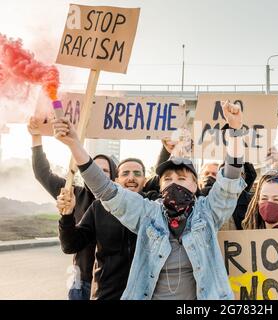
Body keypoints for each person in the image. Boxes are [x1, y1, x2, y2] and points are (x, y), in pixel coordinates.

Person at [53, 101, 247, 300]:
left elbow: (230, 179)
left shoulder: (208, 212)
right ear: (159, 187)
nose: (174, 185)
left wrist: (235, 131)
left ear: (196, 185)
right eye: (168, 180)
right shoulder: (147, 214)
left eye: (181, 179)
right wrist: (75, 144)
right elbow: (105, 189)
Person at [28, 117, 116, 300]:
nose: (97, 174)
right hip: (80, 281)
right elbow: (42, 173)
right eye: (93, 168)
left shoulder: (122, 202)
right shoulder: (72, 193)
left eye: (104, 171)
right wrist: (36, 138)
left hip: (111, 284)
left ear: (113, 177)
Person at [57, 158, 151, 299]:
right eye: (125, 173)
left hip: (146, 294)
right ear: (116, 180)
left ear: (145, 180)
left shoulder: (155, 206)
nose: (131, 177)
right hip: (106, 294)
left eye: (137, 173)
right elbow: (69, 245)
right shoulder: (98, 207)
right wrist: (67, 215)